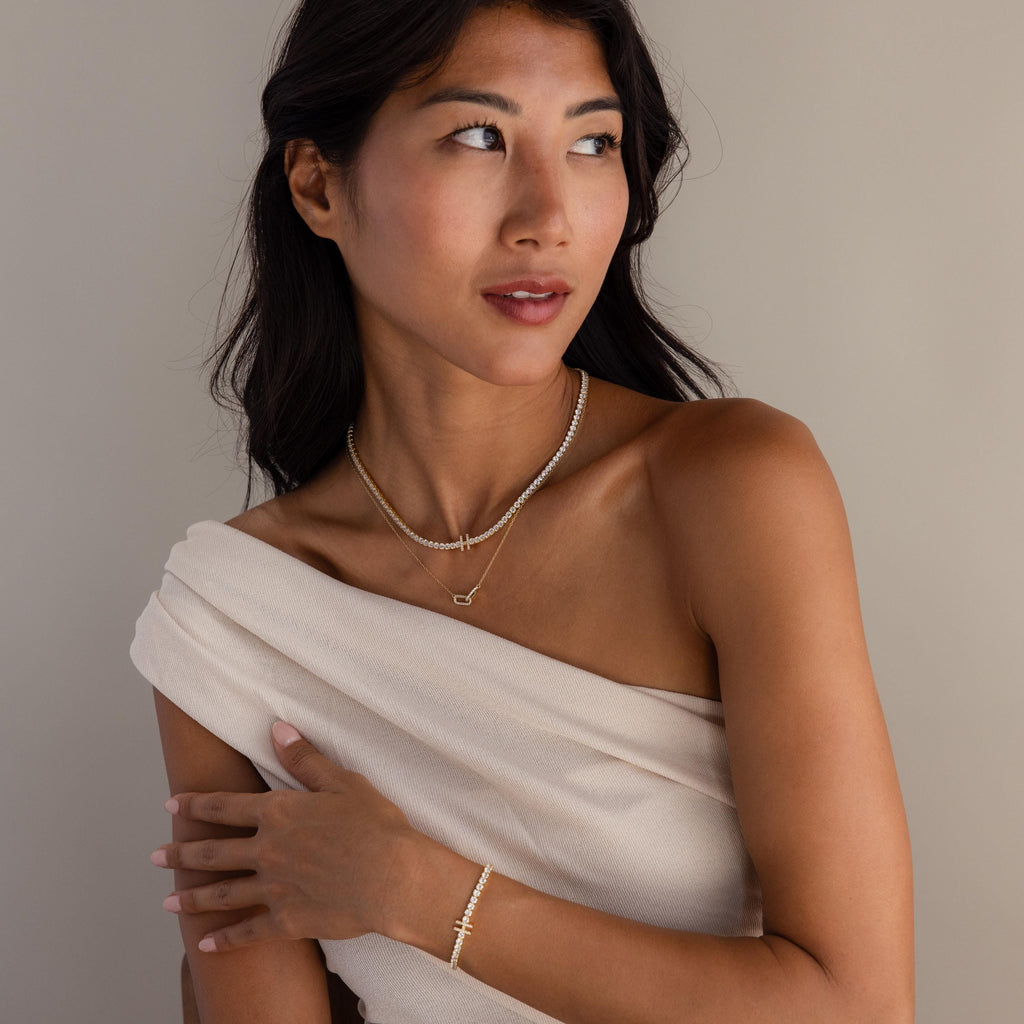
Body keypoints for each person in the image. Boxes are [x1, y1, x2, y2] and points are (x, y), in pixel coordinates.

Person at [130, 1, 915, 1022]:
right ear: (319, 184)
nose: (548, 216)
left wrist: (419, 891)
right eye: (478, 136)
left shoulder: (731, 489)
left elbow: (860, 1005)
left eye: (593, 143)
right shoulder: (233, 616)